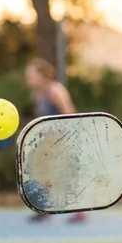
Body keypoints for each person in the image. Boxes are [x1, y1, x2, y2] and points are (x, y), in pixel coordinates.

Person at [23, 58, 87, 224]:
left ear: (42, 75)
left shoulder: (55, 90)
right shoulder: (38, 95)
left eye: (31, 75)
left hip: (64, 138)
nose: (28, 78)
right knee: (43, 172)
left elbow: (70, 114)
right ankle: (45, 208)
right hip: (49, 141)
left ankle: (79, 211)